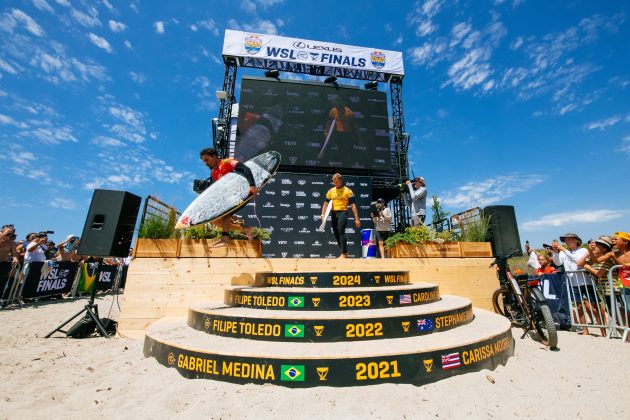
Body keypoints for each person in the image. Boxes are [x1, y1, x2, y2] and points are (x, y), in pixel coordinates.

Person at [195, 148, 259, 245]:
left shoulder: (227, 162)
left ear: (214, 157)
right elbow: (216, 191)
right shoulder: (214, 172)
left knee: (225, 212)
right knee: (215, 221)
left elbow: (246, 169)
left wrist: (252, 185)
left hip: (242, 193)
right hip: (229, 198)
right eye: (204, 161)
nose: (205, 163)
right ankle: (245, 229)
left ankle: (225, 238)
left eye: (207, 160)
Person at [552, 232, 601, 335]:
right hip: (573, 283)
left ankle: (603, 330)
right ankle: (585, 330)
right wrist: (556, 252)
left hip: (586, 281)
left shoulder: (583, 250)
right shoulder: (563, 252)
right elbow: (557, 263)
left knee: (594, 306)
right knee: (578, 306)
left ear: (576, 240)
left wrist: (563, 249)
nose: (566, 241)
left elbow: (578, 260)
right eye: (565, 240)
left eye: (569, 239)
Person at [321, 173, 361, 258]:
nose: (335, 184)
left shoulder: (348, 191)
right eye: (334, 182)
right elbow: (325, 204)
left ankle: (343, 254)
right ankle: (345, 253)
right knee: (336, 233)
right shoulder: (331, 191)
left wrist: (356, 219)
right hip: (334, 213)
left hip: (343, 212)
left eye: (337, 182)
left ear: (341, 180)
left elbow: (353, 205)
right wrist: (322, 214)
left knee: (340, 230)